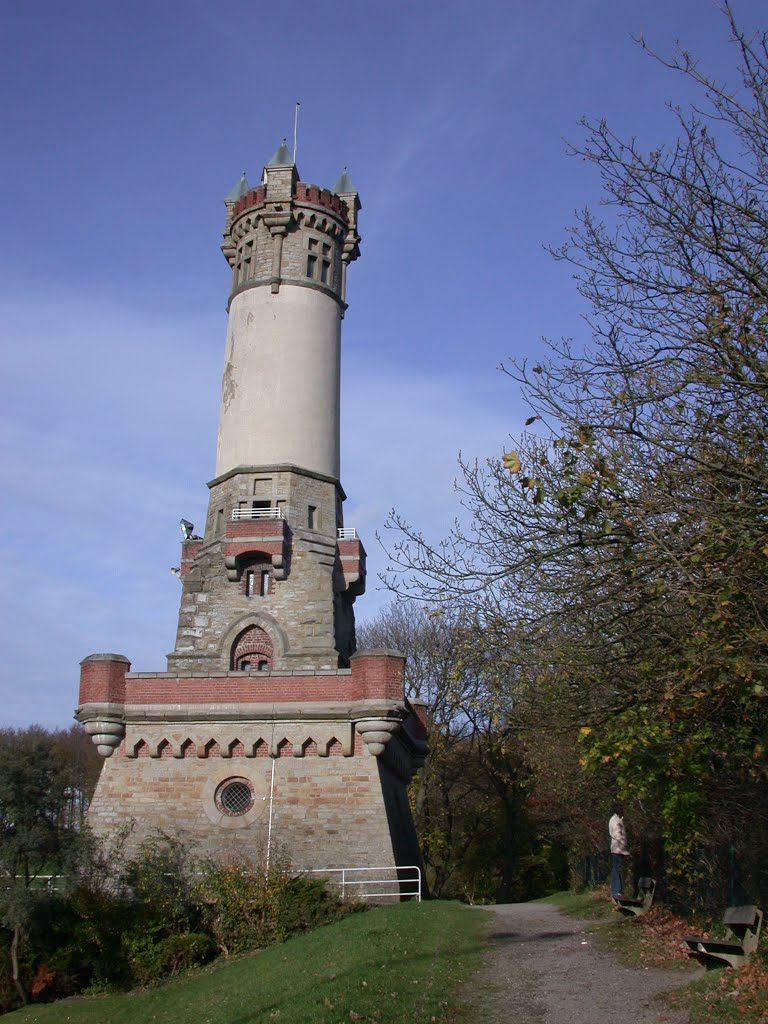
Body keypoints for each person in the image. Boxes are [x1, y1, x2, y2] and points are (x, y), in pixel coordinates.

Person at [608, 803, 629, 898]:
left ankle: (615, 891)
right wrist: (624, 847)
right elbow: (617, 834)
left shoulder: (614, 819)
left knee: (615, 869)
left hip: (616, 848)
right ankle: (617, 891)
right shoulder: (616, 821)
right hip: (618, 849)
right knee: (617, 869)